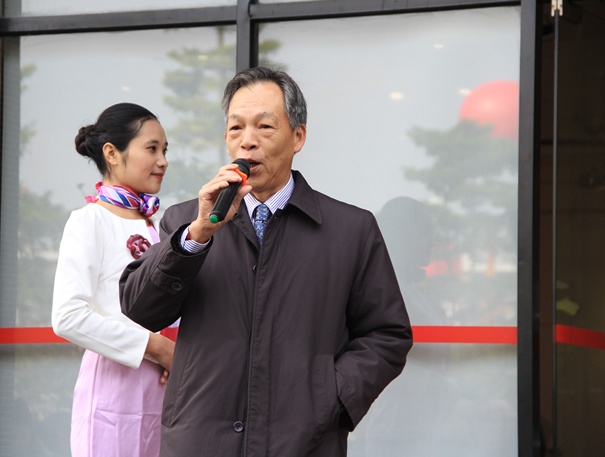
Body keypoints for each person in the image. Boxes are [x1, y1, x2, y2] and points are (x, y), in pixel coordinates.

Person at [119, 67, 412, 457]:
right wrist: (197, 235)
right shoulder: (186, 221)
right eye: (235, 128)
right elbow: (140, 310)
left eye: (264, 127)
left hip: (303, 443)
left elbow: (387, 334)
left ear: (298, 137)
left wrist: (330, 399)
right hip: (200, 441)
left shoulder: (351, 230)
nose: (248, 141)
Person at [51, 102, 176, 457]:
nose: (163, 161)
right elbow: (68, 317)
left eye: (165, 150)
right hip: (112, 394)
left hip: (166, 393)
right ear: (112, 153)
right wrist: (157, 348)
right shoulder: (90, 221)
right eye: (151, 148)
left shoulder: (161, 228)